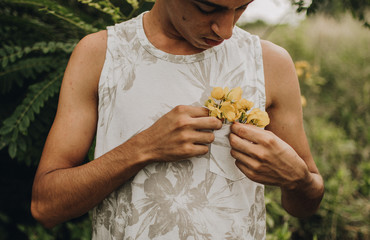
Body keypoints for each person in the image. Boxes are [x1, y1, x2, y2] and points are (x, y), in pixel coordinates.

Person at [31, 0, 324, 239]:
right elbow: (46, 206)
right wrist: (142, 148)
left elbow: (305, 204)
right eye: (208, 8)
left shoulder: (269, 62)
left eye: (241, 8)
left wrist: (298, 180)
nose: (225, 30)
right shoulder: (101, 54)